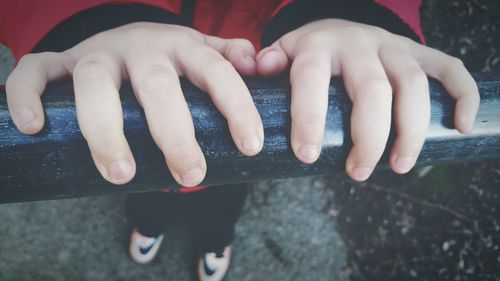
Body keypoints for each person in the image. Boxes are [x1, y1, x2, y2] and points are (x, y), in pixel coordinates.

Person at [0, 0, 479, 280]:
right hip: (131, 100)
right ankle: (154, 226)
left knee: (223, 199)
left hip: (245, 107)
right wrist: (98, 24)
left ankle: (214, 241)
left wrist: (344, 13)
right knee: (141, 187)